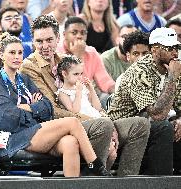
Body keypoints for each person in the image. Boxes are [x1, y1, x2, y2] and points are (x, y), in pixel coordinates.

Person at [20, 15, 150, 176]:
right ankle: (92, 180)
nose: (45, 46)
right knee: (103, 126)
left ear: (58, 38)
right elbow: (51, 110)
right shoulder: (29, 67)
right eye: (39, 41)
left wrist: (104, 116)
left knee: (140, 124)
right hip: (57, 128)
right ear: (32, 41)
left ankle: (126, 182)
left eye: (49, 40)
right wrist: (100, 121)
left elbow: (87, 96)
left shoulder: (66, 60)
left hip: (88, 119)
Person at [0, 33, 111, 177]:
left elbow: (47, 107)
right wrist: (33, 108)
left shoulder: (24, 79)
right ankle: (95, 165)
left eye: (20, 53)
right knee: (73, 122)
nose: (17, 56)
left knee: (70, 142)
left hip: (33, 131)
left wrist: (28, 108)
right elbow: (5, 117)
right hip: (10, 138)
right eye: (12, 52)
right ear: (2, 55)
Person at [108, 27, 181, 175]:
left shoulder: (174, 66)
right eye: (168, 48)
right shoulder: (140, 71)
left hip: (147, 123)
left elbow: (178, 106)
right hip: (121, 126)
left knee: (174, 126)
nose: (174, 52)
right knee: (164, 128)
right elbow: (157, 115)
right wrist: (172, 78)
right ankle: (162, 183)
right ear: (154, 50)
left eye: (176, 47)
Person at [56, 55, 117, 170]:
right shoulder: (62, 93)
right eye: (76, 74)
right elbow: (74, 111)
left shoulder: (82, 88)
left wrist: (91, 89)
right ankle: (96, 175)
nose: (79, 77)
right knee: (109, 152)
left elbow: (97, 107)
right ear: (64, 74)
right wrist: (78, 93)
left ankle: (104, 177)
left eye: (81, 74)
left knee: (113, 155)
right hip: (85, 124)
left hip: (97, 119)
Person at [57, 16, 115, 108]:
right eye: (74, 33)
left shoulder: (92, 52)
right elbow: (70, 84)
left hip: (89, 96)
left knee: (109, 99)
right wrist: (78, 56)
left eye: (83, 33)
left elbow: (104, 80)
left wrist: (118, 91)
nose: (79, 36)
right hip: (68, 100)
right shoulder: (57, 53)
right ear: (64, 35)